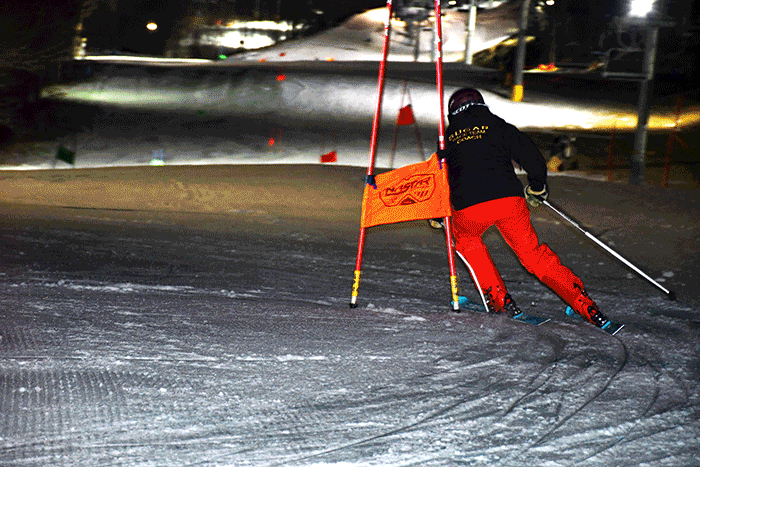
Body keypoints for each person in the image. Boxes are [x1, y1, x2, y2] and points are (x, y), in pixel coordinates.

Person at [439, 87, 609, 328]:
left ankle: (499, 300)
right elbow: (531, 155)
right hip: (509, 200)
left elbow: (441, 175)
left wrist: (439, 212)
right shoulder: (497, 125)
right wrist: (538, 186)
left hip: (469, 206)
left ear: (453, 113)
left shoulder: (448, 137)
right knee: (533, 255)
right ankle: (582, 301)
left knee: (467, 240)